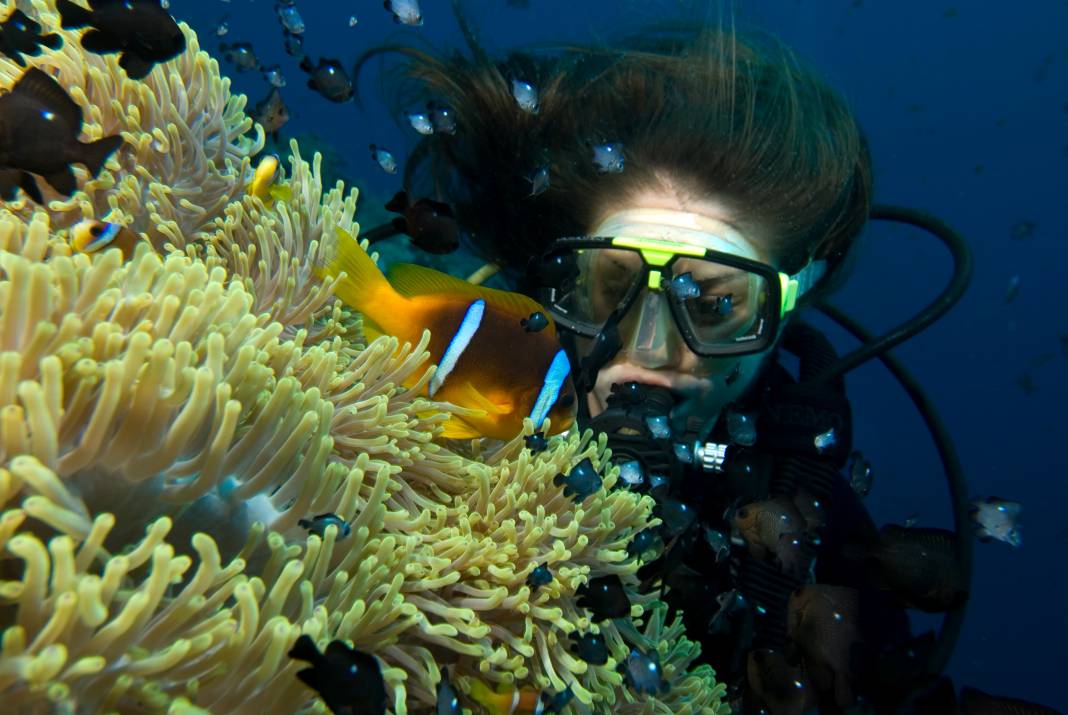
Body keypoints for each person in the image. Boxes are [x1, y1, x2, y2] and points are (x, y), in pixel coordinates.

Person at [355, 11, 1054, 714]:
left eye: (715, 304)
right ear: (558, 282)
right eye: (611, 285)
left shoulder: (818, 536)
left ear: (786, 309)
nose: (650, 351)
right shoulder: (398, 398)